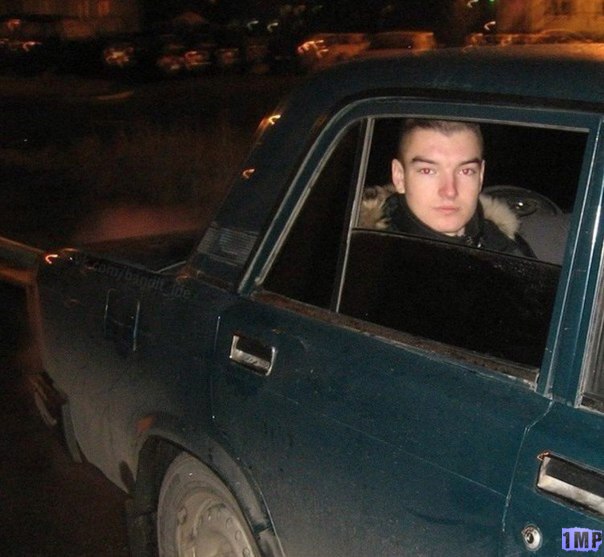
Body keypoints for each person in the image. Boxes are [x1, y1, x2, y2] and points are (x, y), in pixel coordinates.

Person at [360, 119, 535, 257]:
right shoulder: (364, 262)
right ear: (399, 177)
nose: (450, 191)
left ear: (480, 176)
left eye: (465, 171)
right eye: (428, 171)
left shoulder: (506, 248)